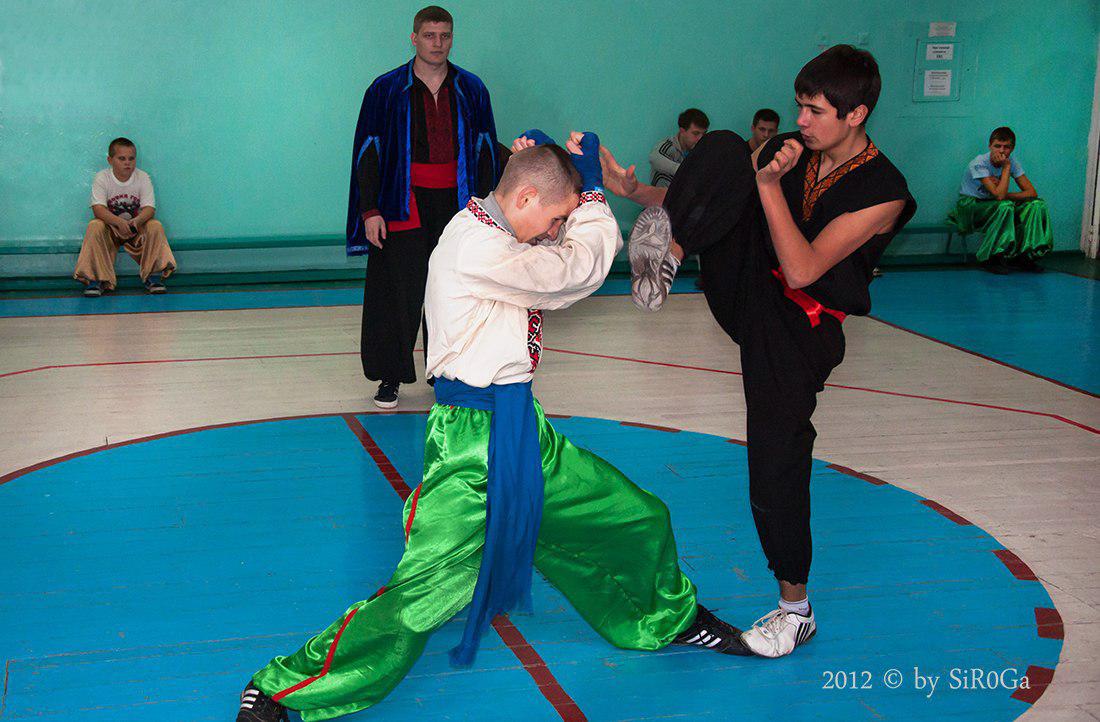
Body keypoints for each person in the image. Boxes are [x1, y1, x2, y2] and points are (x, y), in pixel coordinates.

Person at [237, 134, 749, 722]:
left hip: (522, 431)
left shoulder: (498, 227)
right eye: (554, 217)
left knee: (637, 517)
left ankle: (667, 618)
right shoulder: (475, 246)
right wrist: (592, 199)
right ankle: (281, 687)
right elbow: (575, 271)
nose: (555, 229)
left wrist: (562, 172)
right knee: (419, 598)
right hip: (470, 449)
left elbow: (549, 239)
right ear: (526, 197)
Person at [602, 45, 915, 658]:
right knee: (720, 147)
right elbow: (725, 200)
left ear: (857, 115)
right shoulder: (794, 150)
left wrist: (768, 181)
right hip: (744, 284)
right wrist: (636, 190)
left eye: (816, 110)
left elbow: (802, 269)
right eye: (800, 105)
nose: (801, 120)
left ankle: (795, 610)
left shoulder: (885, 192)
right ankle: (669, 255)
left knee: (775, 459)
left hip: (799, 328)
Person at [347, 5, 499, 409]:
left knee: (453, 291)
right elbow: (368, 152)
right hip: (402, 205)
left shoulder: (472, 89)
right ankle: (389, 377)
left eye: (445, 36)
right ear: (414, 38)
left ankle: (447, 372)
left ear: (452, 38)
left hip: (457, 207)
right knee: (395, 292)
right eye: (430, 36)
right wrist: (370, 210)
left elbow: (486, 152)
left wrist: (486, 210)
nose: (438, 44)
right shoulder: (384, 89)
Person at [73, 137, 175, 296]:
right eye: (122, 158)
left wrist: (136, 221)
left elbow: (149, 209)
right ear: (110, 160)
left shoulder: (142, 177)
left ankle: (154, 276)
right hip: (111, 230)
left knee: (155, 225)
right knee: (95, 225)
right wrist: (119, 222)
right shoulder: (102, 178)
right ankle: (96, 280)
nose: (127, 163)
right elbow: (98, 209)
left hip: (135, 228)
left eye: (131, 158)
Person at [948, 126, 1051, 273]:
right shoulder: (979, 163)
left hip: (995, 204)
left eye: (1006, 147)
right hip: (971, 207)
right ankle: (992, 257)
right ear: (990, 146)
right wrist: (1006, 169)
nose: (1001, 151)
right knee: (1005, 206)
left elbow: (1031, 192)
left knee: (1036, 205)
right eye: (997, 146)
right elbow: (999, 196)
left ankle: (1025, 256)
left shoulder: (1011, 161)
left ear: (1012, 148)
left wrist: (1004, 190)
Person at [648, 108, 709, 187]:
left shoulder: (700, 149)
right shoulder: (669, 147)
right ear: (682, 131)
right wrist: (684, 170)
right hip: (663, 195)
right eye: (696, 133)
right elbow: (653, 158)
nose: (701, 139)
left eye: (704, 134)